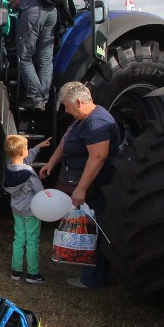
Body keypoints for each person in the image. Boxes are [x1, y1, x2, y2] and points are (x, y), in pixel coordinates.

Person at [39, 81, 120, 290]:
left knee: (95, 232)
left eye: (67, 106)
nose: (67, 110)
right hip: (82, 182)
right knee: (90, 231)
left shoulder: (96, 123)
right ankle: (93, 275)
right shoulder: (81, 120)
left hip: (97, 187)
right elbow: (65, 142)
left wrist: (81, 188)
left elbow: (97, 158)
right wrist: (51, 162)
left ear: (78, 101)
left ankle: (95, 279)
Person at [8, 0, 58, 109]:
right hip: (51, 12)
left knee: (24, 55)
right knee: (45, 58)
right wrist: (20, 1)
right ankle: (44, 98)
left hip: (33, 13)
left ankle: (35, 98)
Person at [3, 134, 52, 284]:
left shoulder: (9, 168)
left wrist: (38, 147)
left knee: (19, 239)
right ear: (22, 152)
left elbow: (24, 161)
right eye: (27, 148)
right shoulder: (29, 173)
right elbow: (40, 192)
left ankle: (16, 271)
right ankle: (33, 273)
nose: (28, 150)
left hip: (17, 211)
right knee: (32, 241)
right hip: (31, 212)